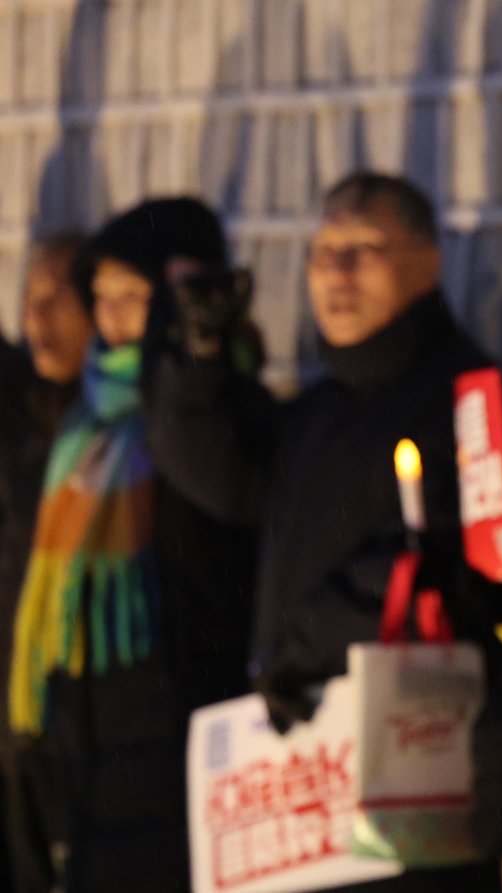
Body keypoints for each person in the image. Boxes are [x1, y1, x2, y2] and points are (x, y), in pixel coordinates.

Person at [145, 172, 502, 893]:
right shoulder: (322, 407)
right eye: (324, 248)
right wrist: (200, 358)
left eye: (365, 246)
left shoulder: (466, 394)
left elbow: (454, 564)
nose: (337, 269)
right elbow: (220, 473)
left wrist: (299, 649)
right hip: (311, 787)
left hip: (415, 782)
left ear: (428, 262)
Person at [6, 199, 260, 893]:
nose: (114, 314)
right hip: (85, 735)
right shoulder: (81, 422)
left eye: (134, 295)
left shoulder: (211, 407)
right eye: (104, 296)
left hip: (175, 726)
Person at [0, 232, 91, 893]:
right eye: (30, 296)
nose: (38, 315)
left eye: (59, 295)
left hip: (86, 722)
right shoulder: (19, 414)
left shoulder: (127, 428)